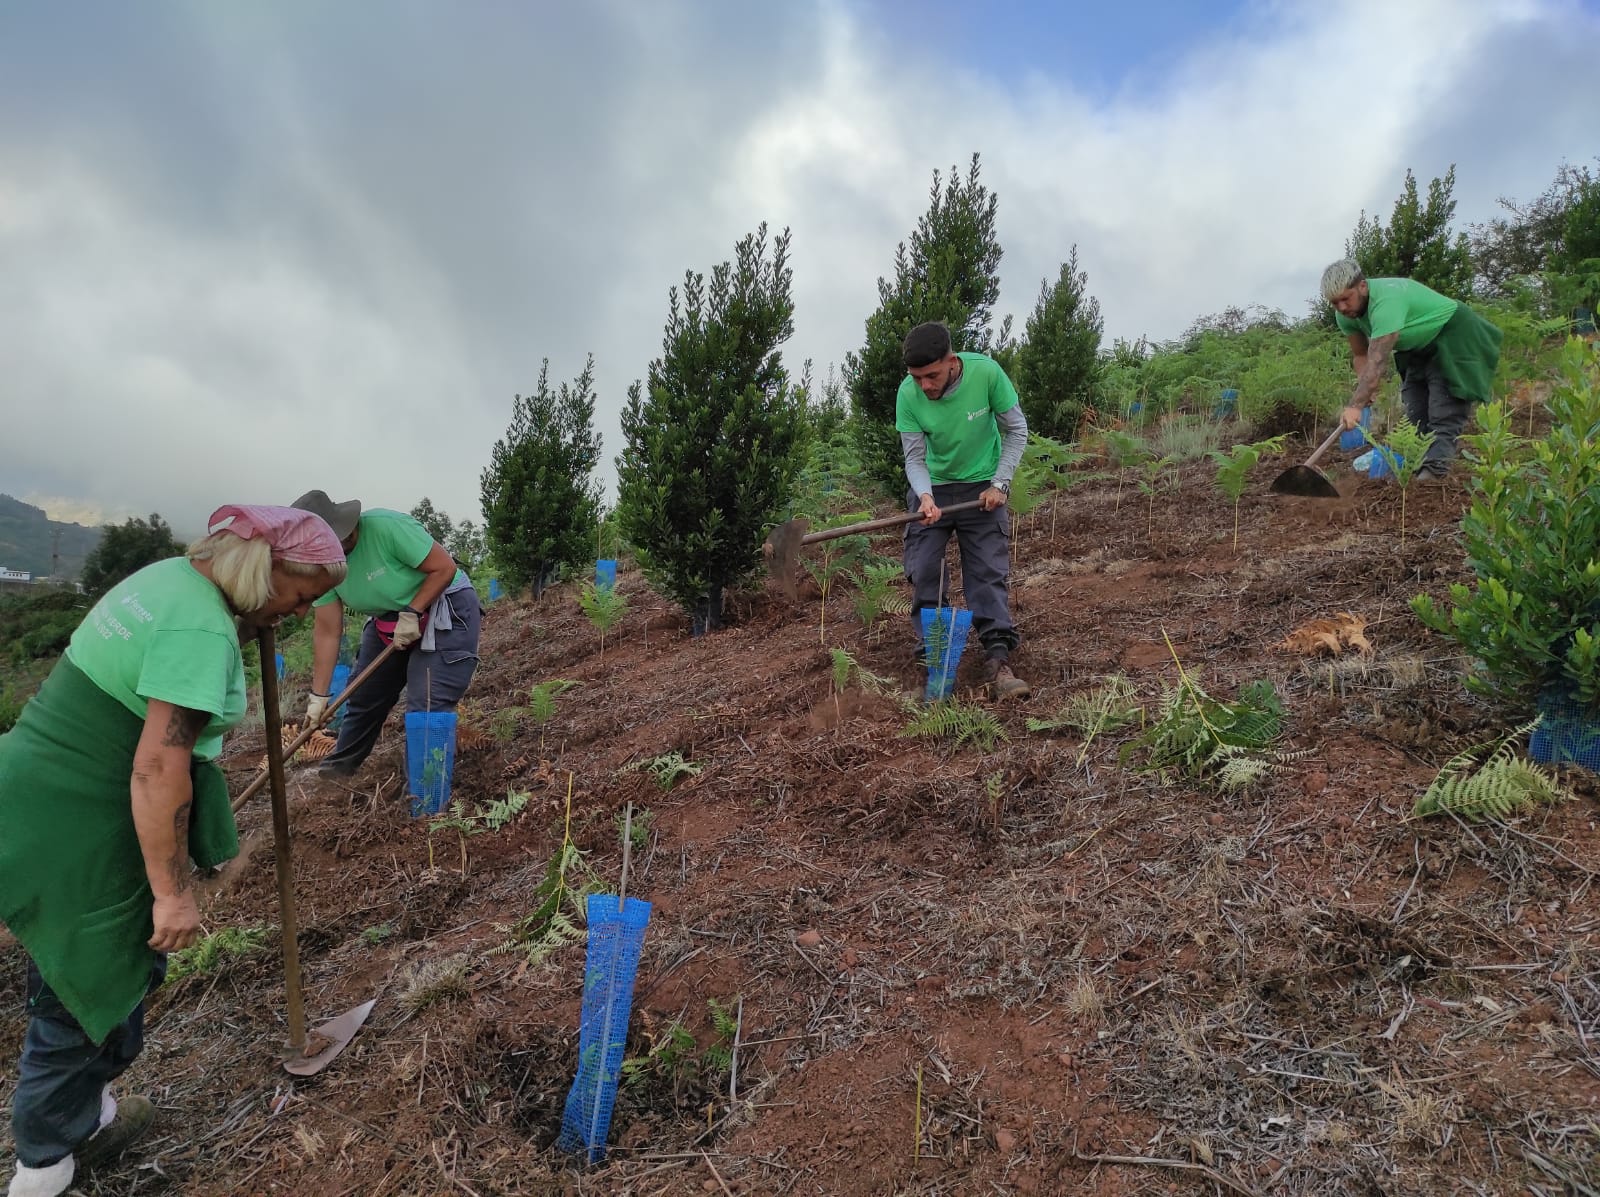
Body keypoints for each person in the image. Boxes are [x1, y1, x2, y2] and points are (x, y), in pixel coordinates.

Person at [0, 506, 346, 1197]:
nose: (300, 613)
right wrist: (171, 891)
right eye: (299, 596)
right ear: (263, 567)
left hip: (41, 793)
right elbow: (159, 770)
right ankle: (40, 1171)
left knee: (89, 971)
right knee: (83, 983)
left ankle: (87, 1124)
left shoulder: (172, 580)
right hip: (79, 817)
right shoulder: (198, 625)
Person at [290, 491, 481, 779]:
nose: (344, 541)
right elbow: (328, 631)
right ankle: (336, 776)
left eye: (344, 533)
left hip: (444, 605)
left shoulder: (387, 527)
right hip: (388, 619)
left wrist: (413, 612)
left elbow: (444, 568)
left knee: (428, 697)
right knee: (364, 694)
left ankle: (427, 796)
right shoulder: (322, 566)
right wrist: (319, 696)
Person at [895, 321, 1031, 700]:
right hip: (933, 490)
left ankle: (998, 661)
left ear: (952, 361)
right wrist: (924, 497)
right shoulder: (908, 394)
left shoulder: (987, 373)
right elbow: (915, 458)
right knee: (924, 571)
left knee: (987, 572)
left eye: (932, 375)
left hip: (981, 486)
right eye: (917, 377)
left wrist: (1000, 483)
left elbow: (1017, 430)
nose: (925, 385)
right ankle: (938, 669)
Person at [1321, 259, 1503, 477]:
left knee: (1443, 409)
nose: (1341, 307)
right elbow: (1361, 355)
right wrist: (1365, 389)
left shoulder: (1386, 302)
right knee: (1415, 412)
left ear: (1362, 286)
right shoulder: (1345, 316)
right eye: (1335, 303)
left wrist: (1355, 405)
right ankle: (1415, 468)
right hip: (1417, 347)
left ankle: (1433, 474)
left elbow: (1377, 361)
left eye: (1345, 299)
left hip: (1453, 336)